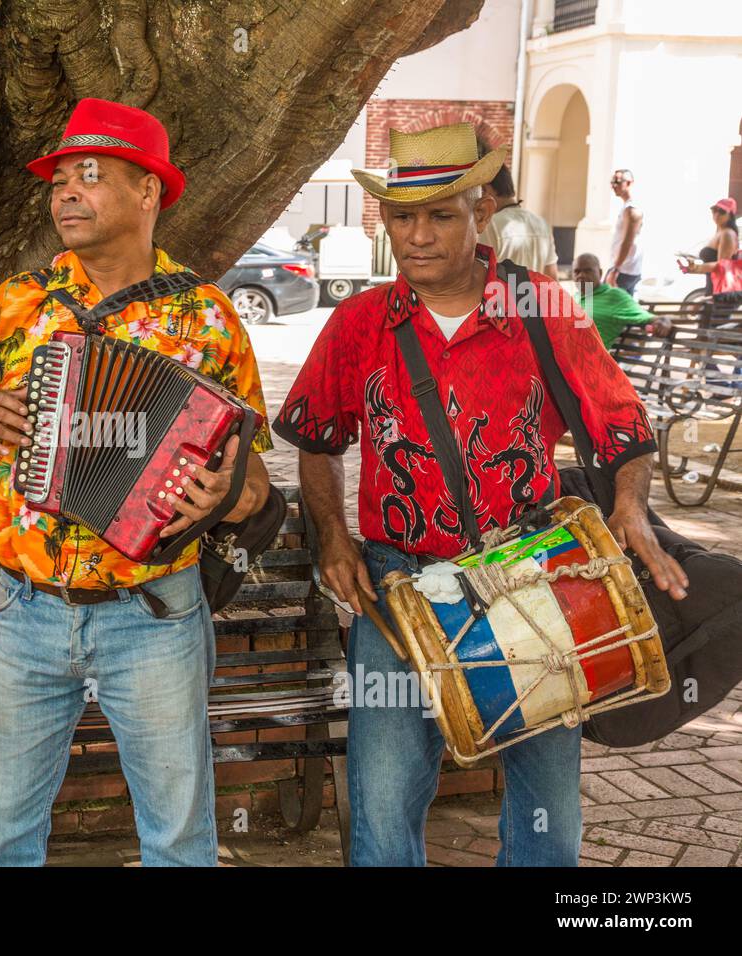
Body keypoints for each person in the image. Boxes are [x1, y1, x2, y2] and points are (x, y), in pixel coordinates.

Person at [273, 122, 688, 867]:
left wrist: (629, 507)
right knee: (382, 799)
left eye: (441, 214)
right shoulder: (359, 325)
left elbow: (624, 427)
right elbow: (315, 439)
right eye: (403, 217)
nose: (419, 235)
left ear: (482, 212)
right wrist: (334, 536)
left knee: (547, 813)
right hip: (397, 589)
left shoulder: (546, 311)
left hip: (534, 583)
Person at [0, 98, 273, 866]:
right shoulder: (17, 302)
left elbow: (250, 468)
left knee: (179, 840)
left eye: (86, 176)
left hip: (152, 610)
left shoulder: (207, 317)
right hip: (25, 608)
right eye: (59, 180)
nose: (65, 194)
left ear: (148, 191)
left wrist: (226, 494)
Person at [477, 140, 558, 279]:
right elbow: (551, 277)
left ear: (486, 189)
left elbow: (477, 277)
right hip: (533, 300)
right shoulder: (541, 223)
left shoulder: (490, 225)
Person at [572, 253, 671, 347]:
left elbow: (649, 317)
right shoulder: (575, 298)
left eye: (588, 271)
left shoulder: (614, 296)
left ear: (600, 273)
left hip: (587, 359)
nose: (581, 275)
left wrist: (663, 321)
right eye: (577, 272)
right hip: (565, 354)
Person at [607, 169, 644, 293]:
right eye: (612, 181)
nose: (614, 185)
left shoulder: (632, 209)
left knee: (603, 304)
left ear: (629, 183)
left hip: (624, 270)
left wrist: (615, 268)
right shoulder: (627, 207)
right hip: (625, 269)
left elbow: (627, 242)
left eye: (617, 181)